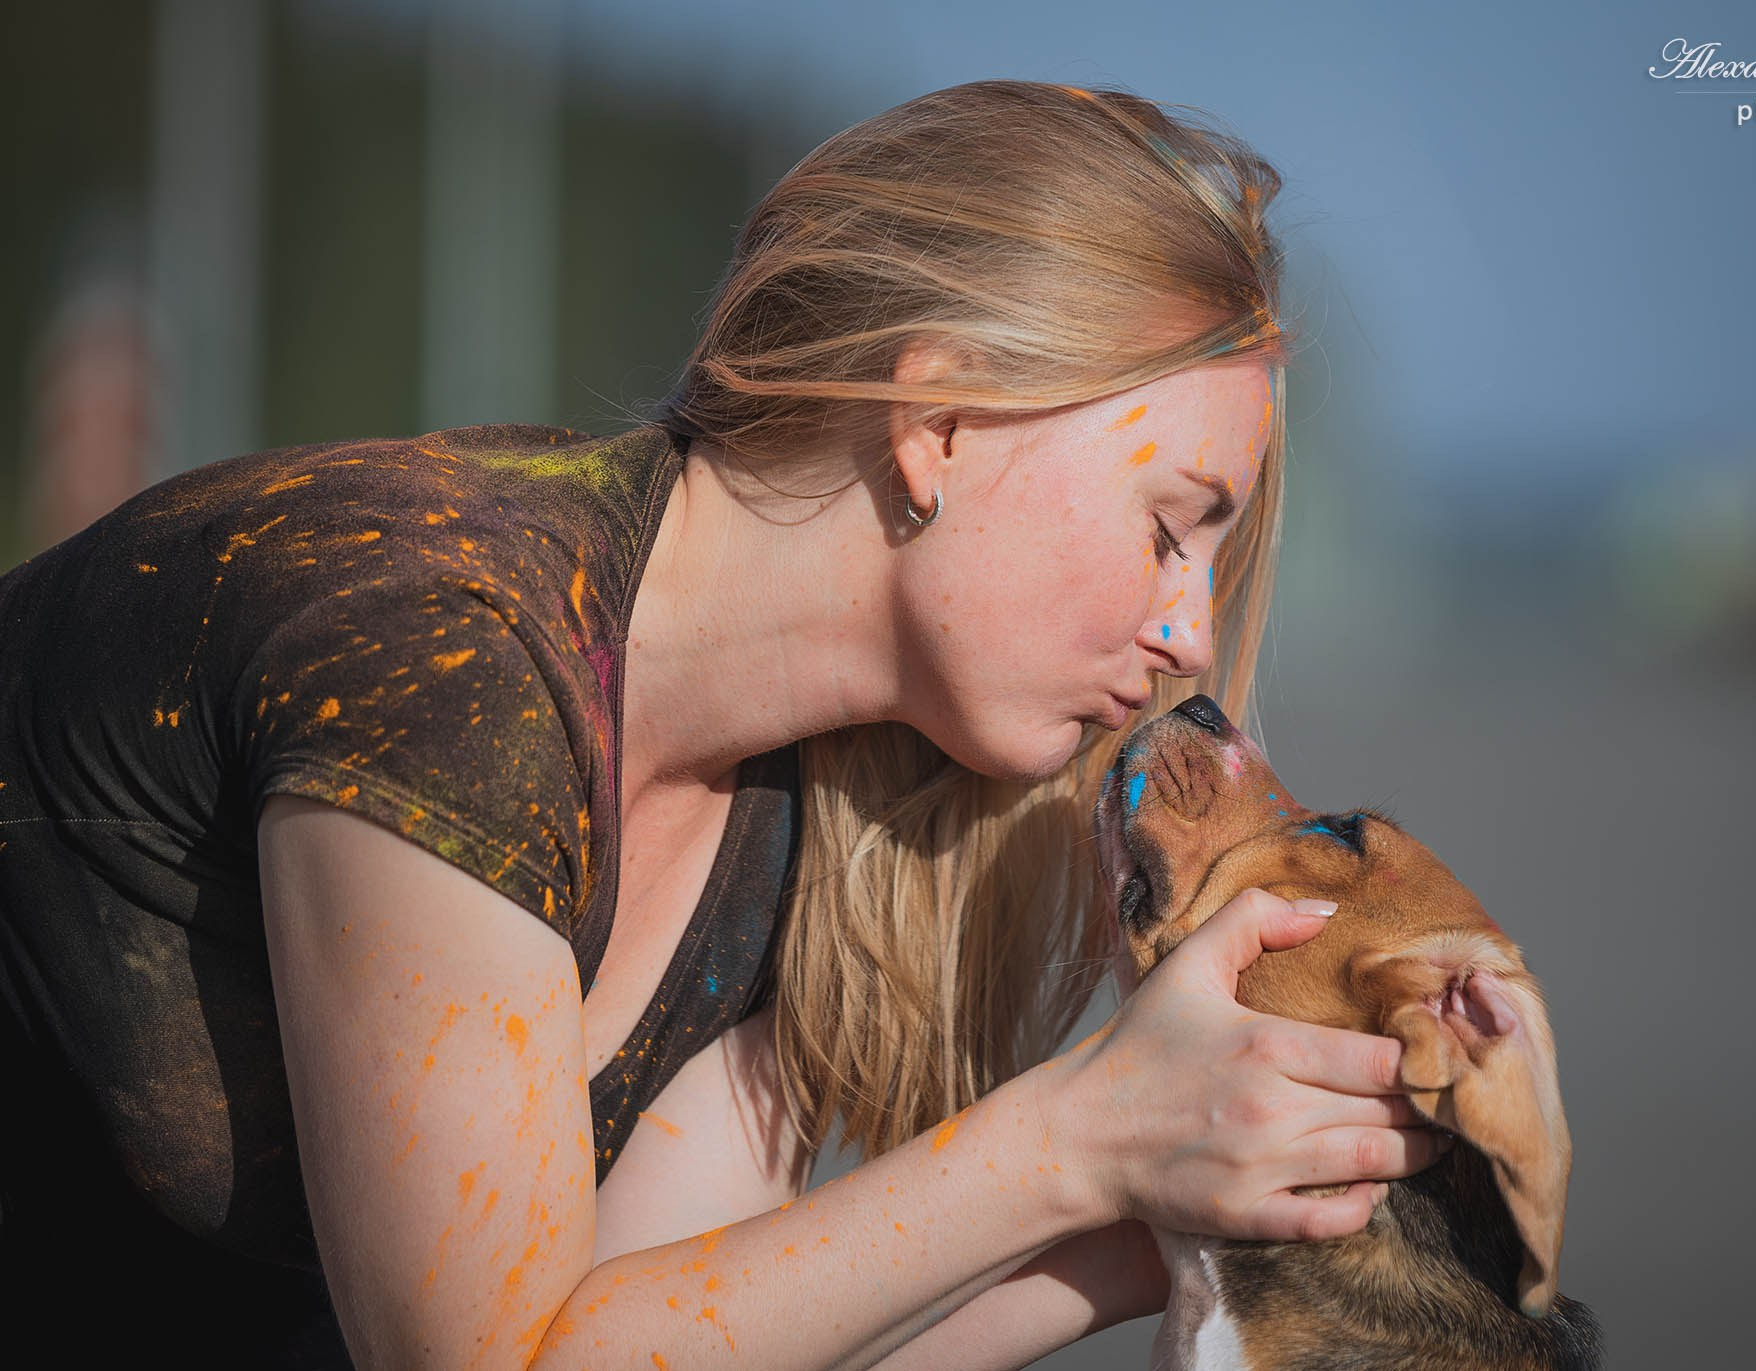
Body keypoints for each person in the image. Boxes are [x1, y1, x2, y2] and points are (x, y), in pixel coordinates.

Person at [0, 80, 1449, 1367]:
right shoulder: (457, 651)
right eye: (1169, 526)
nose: (1191, 630)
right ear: (940, 421)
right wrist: (1082, 1134)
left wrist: (1151, 1224)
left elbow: (685, 1340)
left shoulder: (794, 811)